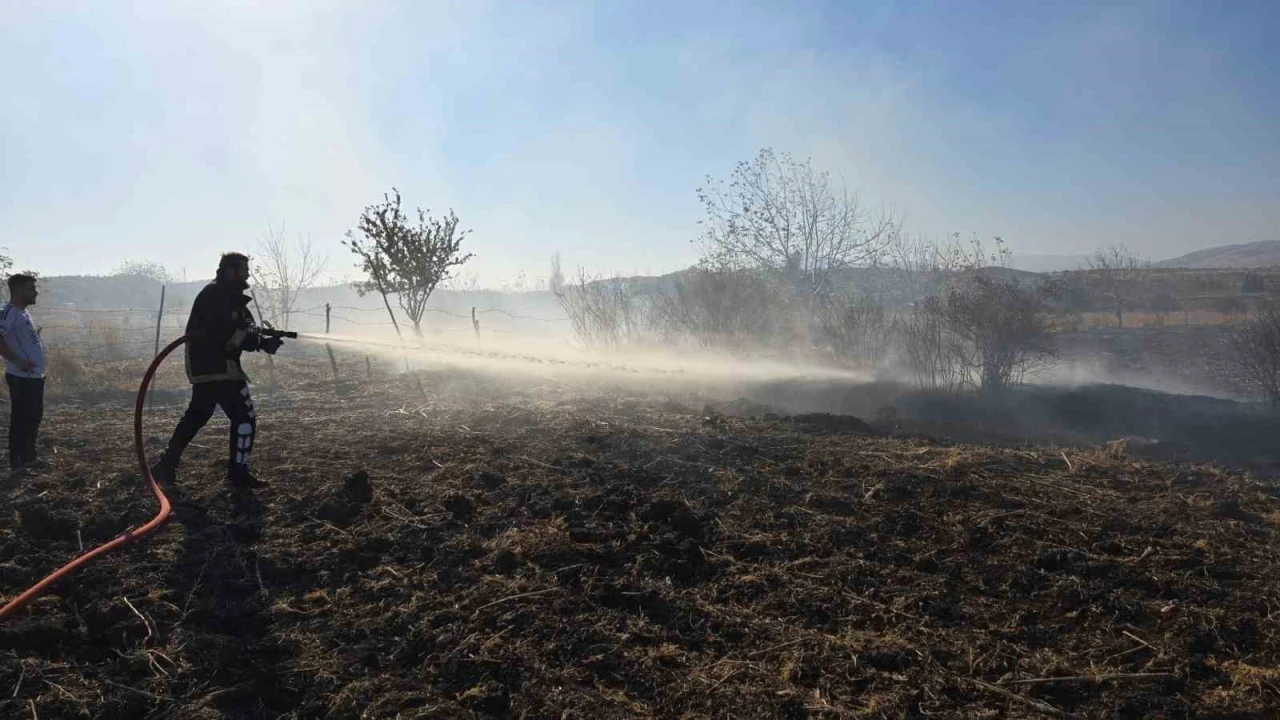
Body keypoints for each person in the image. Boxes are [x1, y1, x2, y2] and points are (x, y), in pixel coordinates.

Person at [151, 253, 283, 490]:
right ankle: (238, 474)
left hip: (209, 366)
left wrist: (263, 338)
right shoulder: (216, 295)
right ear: (231, 271)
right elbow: (226, 334)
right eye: (244, 270)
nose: (248, 274)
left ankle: (166, 464)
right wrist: (259, 343)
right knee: (244, 417)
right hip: (219, 366)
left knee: (198, 414)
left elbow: (243, 327)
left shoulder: (225, 294)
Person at [0, 274, 46, 473]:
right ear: (19, 290)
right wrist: (18, 362)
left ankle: (29, 458)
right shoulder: (9, 312)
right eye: (31, 289)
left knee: (34, 417)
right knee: (21, 419)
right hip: (21, 377)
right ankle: (17, 463)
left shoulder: (24, 313)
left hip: (35, 376)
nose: (36, 292)